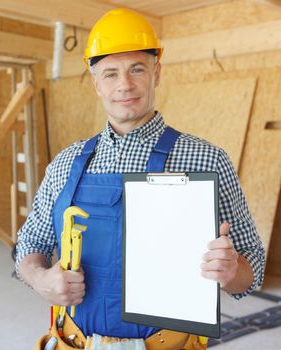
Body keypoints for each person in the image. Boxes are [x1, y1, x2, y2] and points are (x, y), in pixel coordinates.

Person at [16, 7, 265, 347]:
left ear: (156, 73)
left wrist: (231, 270)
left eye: (137, 69)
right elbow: (31, 244)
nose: (125, 85)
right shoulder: (66, 163)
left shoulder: (207, 159)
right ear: (95, 83)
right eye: (110, 74)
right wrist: (41, 278)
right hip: (73, 342)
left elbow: (252, 268)